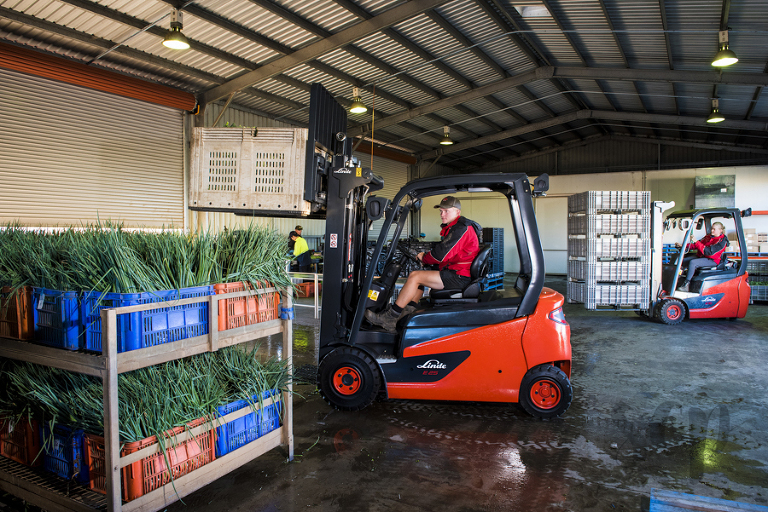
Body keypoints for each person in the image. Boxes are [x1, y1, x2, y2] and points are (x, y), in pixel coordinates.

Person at [365, 196, 481, 332]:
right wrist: (425, 259)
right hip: (456, 272)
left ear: (457, 212)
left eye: (446, 211)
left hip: (459, 277)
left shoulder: (461, 228)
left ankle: (390, 317)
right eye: (441, 211)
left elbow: (440, 255)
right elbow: (448, 255)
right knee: (419, 280)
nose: (442, 214)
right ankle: (407, 313)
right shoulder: (457, 227)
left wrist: (424, 257)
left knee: (415, 276)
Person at [675, 221, 728, 291]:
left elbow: (709, 252)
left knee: (693, 263)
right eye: (712, 228)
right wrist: (684, 246)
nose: (712, 230)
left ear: (720, 230)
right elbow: (696, 245)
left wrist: (696, 242)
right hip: (703, 256)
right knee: (682, 260)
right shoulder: (708, 237)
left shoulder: (722, 242)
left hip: (712, 260)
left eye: (714, 229)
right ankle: (677, 279)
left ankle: (686, 284)